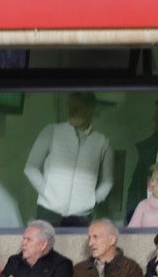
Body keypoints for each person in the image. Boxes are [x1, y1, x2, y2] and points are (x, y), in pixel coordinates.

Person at [24, 92, 113, 227]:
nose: (71, 112)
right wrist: (47, 192)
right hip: (48, 210)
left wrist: (92, 200)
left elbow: (108, 180)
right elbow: (31, 167)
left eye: (77, 108)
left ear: (91, 109)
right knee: (45, 247)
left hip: (82, 214)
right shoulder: (52, 131)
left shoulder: (102, 142)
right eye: (69, 107)